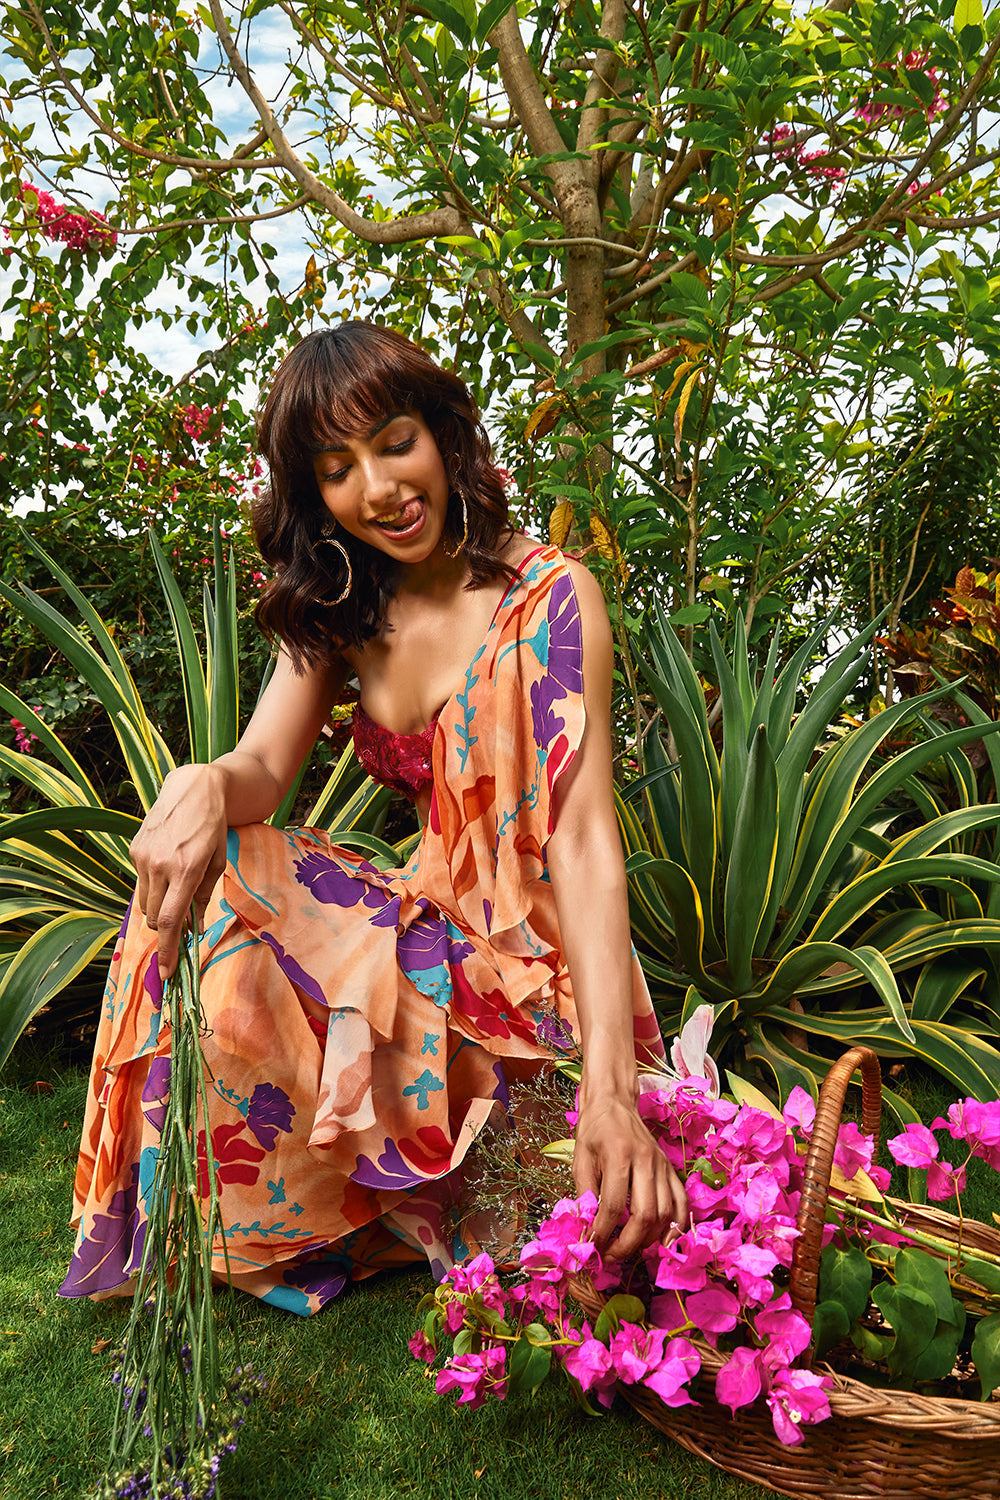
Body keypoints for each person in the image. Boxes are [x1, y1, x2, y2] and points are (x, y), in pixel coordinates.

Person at [60, 322, 686, 1315]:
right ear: (316, 495)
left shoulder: (554, 596)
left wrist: (612, 1085)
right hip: (428, 947)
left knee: (548, 1192)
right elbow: (262, 766)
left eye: (393, 442)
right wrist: (200, 783)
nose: (379, 488)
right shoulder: (347, 601)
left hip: (533, 987)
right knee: (226, 864)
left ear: (441, 436)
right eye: (337, 468)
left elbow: (582, 840)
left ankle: (515, 1142)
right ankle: (257, 1197)